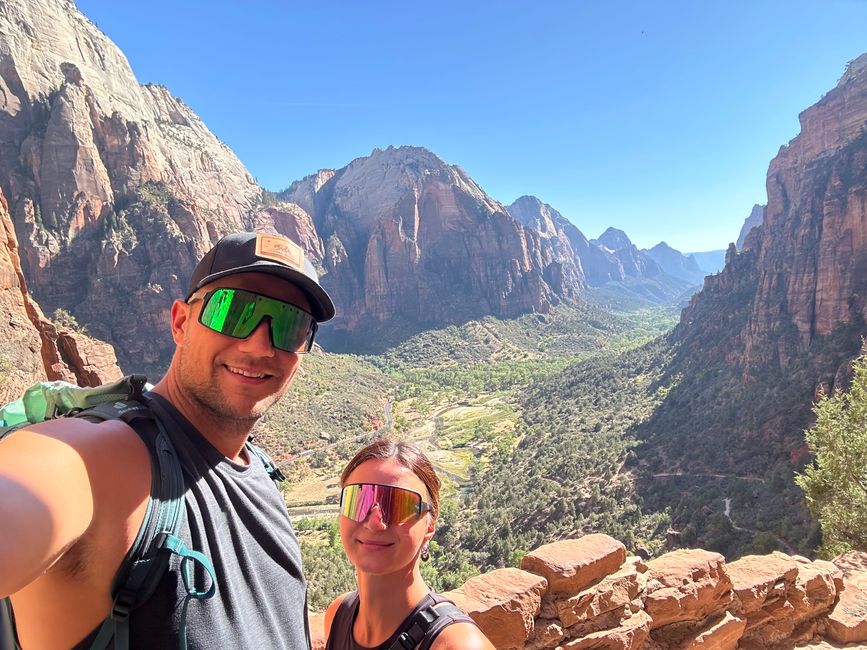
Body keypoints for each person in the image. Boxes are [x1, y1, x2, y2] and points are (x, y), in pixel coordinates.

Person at [0, 231, 335, 649]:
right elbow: (33, 486)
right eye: (234, 311)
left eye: (289, 325)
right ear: (180, 322)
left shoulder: (261, 473)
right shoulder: (106, 458)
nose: (259, 344)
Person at [324, 438, 494, 650]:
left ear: (429, 527)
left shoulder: (457, 645)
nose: (375, 522)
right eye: (358, 501)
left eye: (399, 505)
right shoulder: (339, 614)